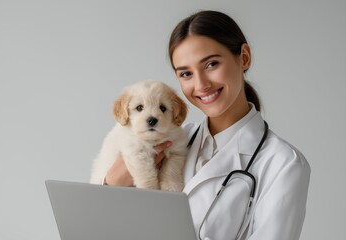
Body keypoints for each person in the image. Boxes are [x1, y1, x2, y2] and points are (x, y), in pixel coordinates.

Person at [103, 10, 311, 240]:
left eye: (211, 64)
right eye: (186, 74)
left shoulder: (283, 163)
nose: (201, 84)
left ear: (244, 58)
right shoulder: (171, 142)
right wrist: (110, 184)